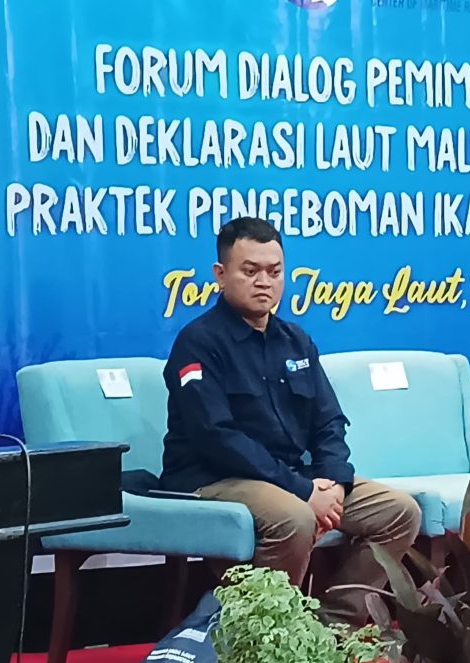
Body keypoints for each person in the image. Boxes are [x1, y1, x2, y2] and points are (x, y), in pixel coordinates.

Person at [161, 217, 422, 623]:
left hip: (291, 477)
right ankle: (270, 636)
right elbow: (216, 437)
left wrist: (334, 483)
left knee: (399, 511)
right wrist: (302, 490)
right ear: (220, 275)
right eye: (250, 271)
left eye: (274, 271)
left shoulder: (295, 340)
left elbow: (329, 421)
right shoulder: (198, 342)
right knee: (294, 516)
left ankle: (336, 627)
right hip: (213, 478)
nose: (264, 282)